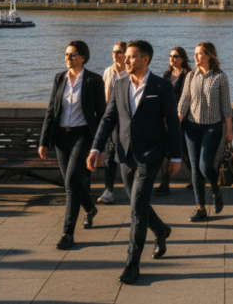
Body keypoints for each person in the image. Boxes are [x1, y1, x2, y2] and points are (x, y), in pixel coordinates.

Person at [86, 40, 184, 285]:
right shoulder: (119, 85)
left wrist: (175, 156)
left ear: (145, 59)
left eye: (130, 57)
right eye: (125, 56)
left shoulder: (161, 86)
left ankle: (132, 264)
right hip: (125, 154)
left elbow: (172, 122)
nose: (125, 60)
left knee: (137, 209)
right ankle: (161, 230)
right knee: (135, 203)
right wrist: (96, 147)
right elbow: (108, 119)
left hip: (151, 154)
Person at [39, 41, 106, 251]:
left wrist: (100, 145)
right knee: (73, 184)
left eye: (73, 54)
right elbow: (52, 110)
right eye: (66, 54)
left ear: (83, 57)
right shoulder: (60, 78)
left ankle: (68, 233)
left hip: (82, 136)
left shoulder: (94, 80)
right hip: (61, 137)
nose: (68, 57)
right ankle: (89, 207)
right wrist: (43, 141)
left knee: (70, 183)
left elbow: (102, 114)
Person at [178, 41, 233, 222]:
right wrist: (176, 123)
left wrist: (230, 130)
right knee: (195, 168)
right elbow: (184, 102)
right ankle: (200, 208)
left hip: (212, 127)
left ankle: (216, 191)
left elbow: (226, 106)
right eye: (194, 54)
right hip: (192, 128)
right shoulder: (191, 76)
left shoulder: (220, 77)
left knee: (205, 166)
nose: (195, 57)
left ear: (209, 55)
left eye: (199, 54)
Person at [154, 47, 192, 196]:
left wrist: (180, 115)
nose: (172, 59)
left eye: (175, 56)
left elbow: (188, 98)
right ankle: (164, 184)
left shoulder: (188, 75)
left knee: (186, 152)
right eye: (170, 56)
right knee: (165, 152)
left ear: (182, 58)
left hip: (184, 119)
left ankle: (195, 179)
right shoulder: (166, 74)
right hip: (167, 119)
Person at [99, 41, 129, 204]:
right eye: (113, 52)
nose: (115, 55)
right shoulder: (108, 72)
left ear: (126, 54)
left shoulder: (130, 73)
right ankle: (108, 190)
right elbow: (105, 96)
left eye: (118, 52)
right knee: (110, 154)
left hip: (128, 120)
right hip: (112, 119)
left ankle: (134, 186)